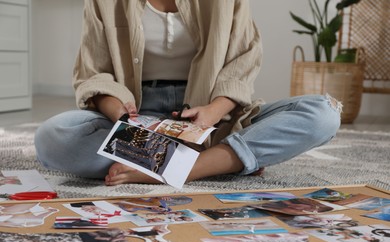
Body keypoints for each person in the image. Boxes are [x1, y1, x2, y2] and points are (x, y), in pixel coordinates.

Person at [34, 0, 341, 186]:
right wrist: (120, 112)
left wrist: (214, 111)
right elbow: (92, 70)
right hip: (139, 117)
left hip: (215, 117)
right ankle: (222, 161)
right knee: (54, 136)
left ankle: (178, 167)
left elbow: (243, 60)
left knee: (322, 115)